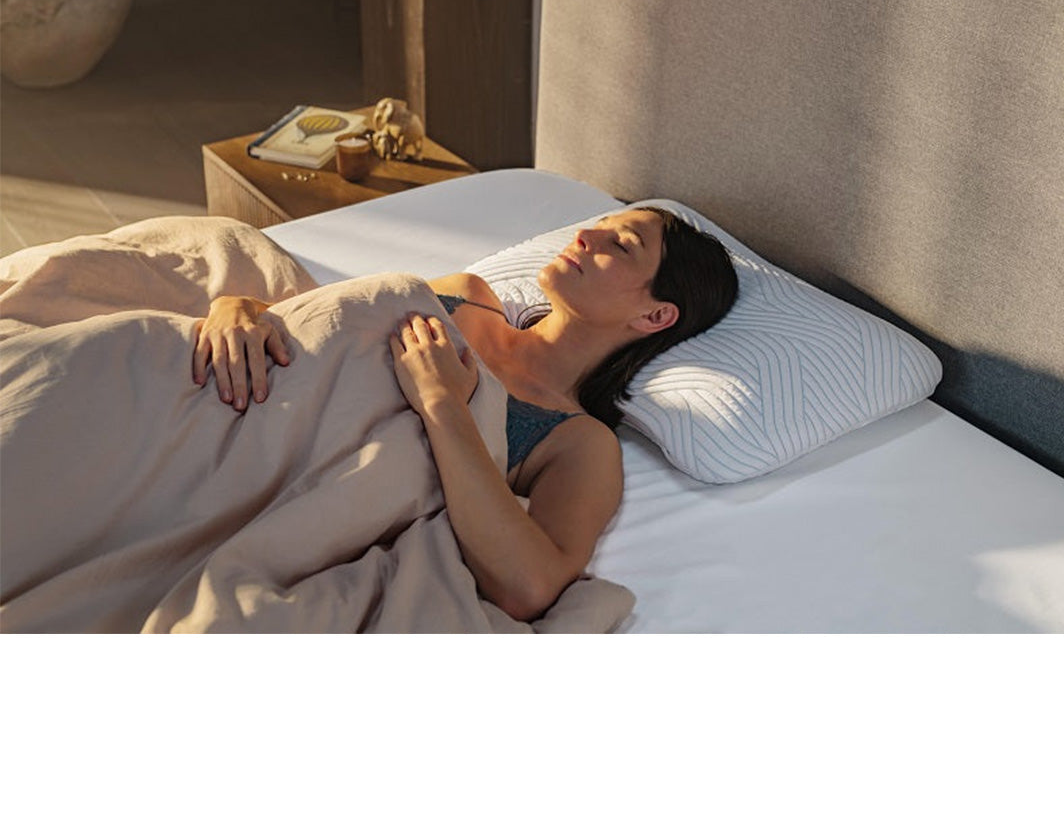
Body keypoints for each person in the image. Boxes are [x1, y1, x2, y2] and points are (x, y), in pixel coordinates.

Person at [191, 207, 738, 622]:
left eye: (620, 245)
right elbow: (320, 319)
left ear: (655, 315)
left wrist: (443, 403)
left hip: (262, 483)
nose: (585, 236)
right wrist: (237, 307)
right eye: (598, 226)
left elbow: (531, 587)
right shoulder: (467, 295)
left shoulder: (579, 443)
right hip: (215, 391)